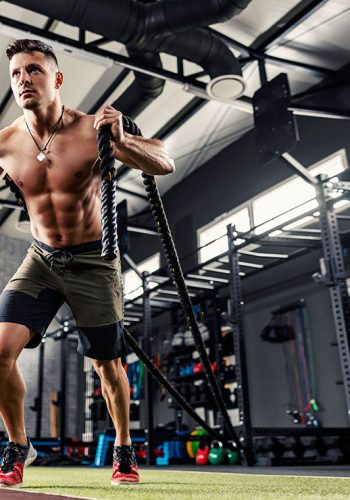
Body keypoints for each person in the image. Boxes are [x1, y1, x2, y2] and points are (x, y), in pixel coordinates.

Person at [0, 39, 175, 488]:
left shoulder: (91, 129)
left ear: (56, 79)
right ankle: (18, 446)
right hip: (39, 260)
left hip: (94, 262)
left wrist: (121, 140)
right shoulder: (5, 143)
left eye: (34, 70)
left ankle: (122, 447)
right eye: (16, 73)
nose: (24, 79)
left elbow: (165, 162)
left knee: (106, 365)